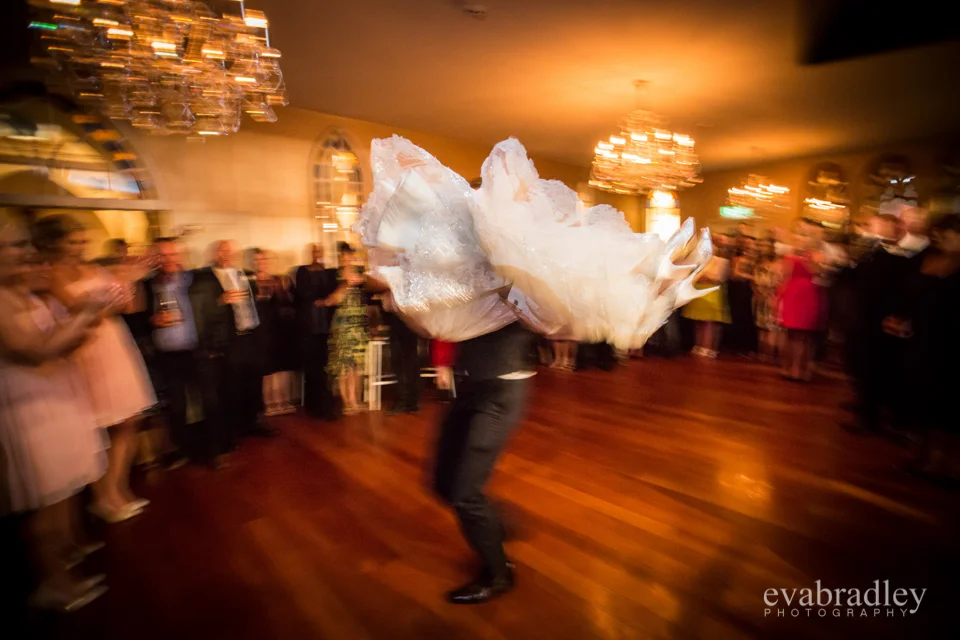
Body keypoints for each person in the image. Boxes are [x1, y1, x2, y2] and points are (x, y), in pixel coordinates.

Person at [0, 211, 111, 610]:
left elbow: (54, 340)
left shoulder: (23, 290)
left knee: (63, 486)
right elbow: (33, 351)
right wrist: (84, 312)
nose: (27, 254)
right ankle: (52, 583)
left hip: (54, 392)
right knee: (45, 493)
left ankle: (64, 557)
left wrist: (82, 326)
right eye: (16, 245)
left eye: (26, 244)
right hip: (28, 402)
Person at [36, 214, 156, 524]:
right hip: (87, 350)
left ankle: (118, 488)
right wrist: (113, 291)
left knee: (130, 418)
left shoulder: (94, 267)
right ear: (55, 243)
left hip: (115, 342)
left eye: (82, 240)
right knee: (99, 426)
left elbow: (126, 307)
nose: (80, 246)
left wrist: (130, 286)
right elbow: (82, 311)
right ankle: (102, 497)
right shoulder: (53, 274)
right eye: (73, 241)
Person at [190, 241, 277, 451]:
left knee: (254, 382)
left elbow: (252, 301)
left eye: (230, 252)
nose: (226, 255)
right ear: (214, 254)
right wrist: (219, 301)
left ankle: (253, 422)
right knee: (233, 386)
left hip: (251, 335)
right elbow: (200, 309)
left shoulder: (242, 274)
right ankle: (234, 430)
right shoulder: (205, 278)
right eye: (222, 251)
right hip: (231, 339)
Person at [900, 214, 960, 475]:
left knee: (949, 402)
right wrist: (903, 318)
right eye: (937, 233)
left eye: (947, 234)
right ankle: (919, 454)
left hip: (953, 344)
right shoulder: (923, 259)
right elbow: (909, 294)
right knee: (920, 396)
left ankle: (945, 462)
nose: (939, 237)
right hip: (923, 340)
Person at [144, 237, 204, 469]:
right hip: (167, 354)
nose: (169, 259)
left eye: (173, 254)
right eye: (164, 255)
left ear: (180, 256)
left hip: (194, 350)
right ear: (157, 259)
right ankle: (182, 450)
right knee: (176, 406)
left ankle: (208, 448)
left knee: (207, 400)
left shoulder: (193, 280)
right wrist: (152, 320)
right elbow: (139, 318)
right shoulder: (149, 285)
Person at [294, 244, 339, 420]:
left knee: (324, 367)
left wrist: (325, 300)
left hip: (325, 327)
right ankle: (315, 406)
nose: (317, 255)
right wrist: (324, 298)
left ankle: (324, 405)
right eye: (314, 252)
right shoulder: (302, 272)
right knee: (312, 367)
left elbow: (331, 294)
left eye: (320, 251)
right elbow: (304, 294)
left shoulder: (328, 272)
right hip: (308, 328)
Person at [325, 244, 369, 415]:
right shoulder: (334, 274)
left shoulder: (360, 271)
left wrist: (360, 279)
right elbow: (332, 299)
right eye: (343, 256)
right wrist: (345, 283)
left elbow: (368, 287)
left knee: (356, 365)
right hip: (343, 323)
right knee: (345, 364)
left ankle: (356, 400)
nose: (347, 259)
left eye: (349, 256)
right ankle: (347, 403)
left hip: (358, 322)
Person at [777, 227, 824, 381]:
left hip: (808, 295)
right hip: (791, 294)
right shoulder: (789, 255)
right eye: (798, 234)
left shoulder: (816, 254)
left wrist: (807, 257)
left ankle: (802, 369)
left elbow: (818, 272)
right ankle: (787, 367)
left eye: (804, 235)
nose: (800, 238)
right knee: (790, 333)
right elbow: (784, 275)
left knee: (805, 335)